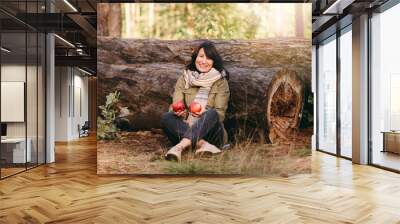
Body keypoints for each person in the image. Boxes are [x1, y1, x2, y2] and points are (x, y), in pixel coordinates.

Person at [160, 41, 230, 161]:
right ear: (195, 57)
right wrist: (182, 113)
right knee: (167, 117)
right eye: (201, 56)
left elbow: (220, 115)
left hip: (211, 134)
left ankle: (180, 147)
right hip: (185, 125)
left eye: (209, 58)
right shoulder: (185, 79)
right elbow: (174, 106)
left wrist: (203, 113)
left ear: (214, 62)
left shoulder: (221, 82)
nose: (203, 61)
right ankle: (202, 145)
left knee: (212, 113)